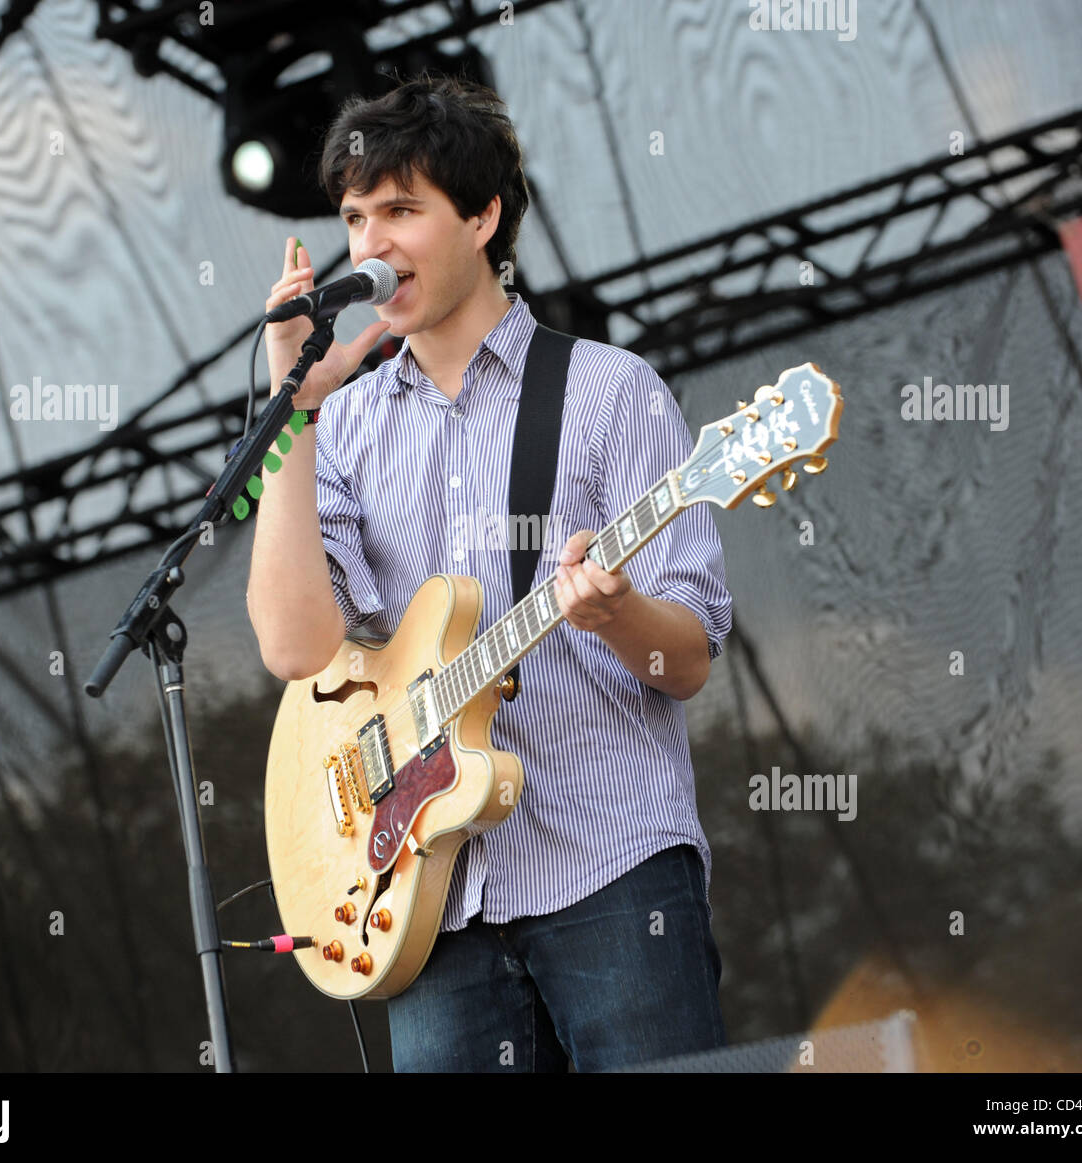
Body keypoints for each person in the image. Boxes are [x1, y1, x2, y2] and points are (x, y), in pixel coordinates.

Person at [246, 74, 732, 1072]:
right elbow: (295, 645)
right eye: (352, 217)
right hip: (427, 901)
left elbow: (683, 660)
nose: (371, 243)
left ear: (482, 214)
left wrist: (615, 611)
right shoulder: (343, 428)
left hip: (610, 868)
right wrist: (292, 404)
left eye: (399, 210)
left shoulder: (608, 390)